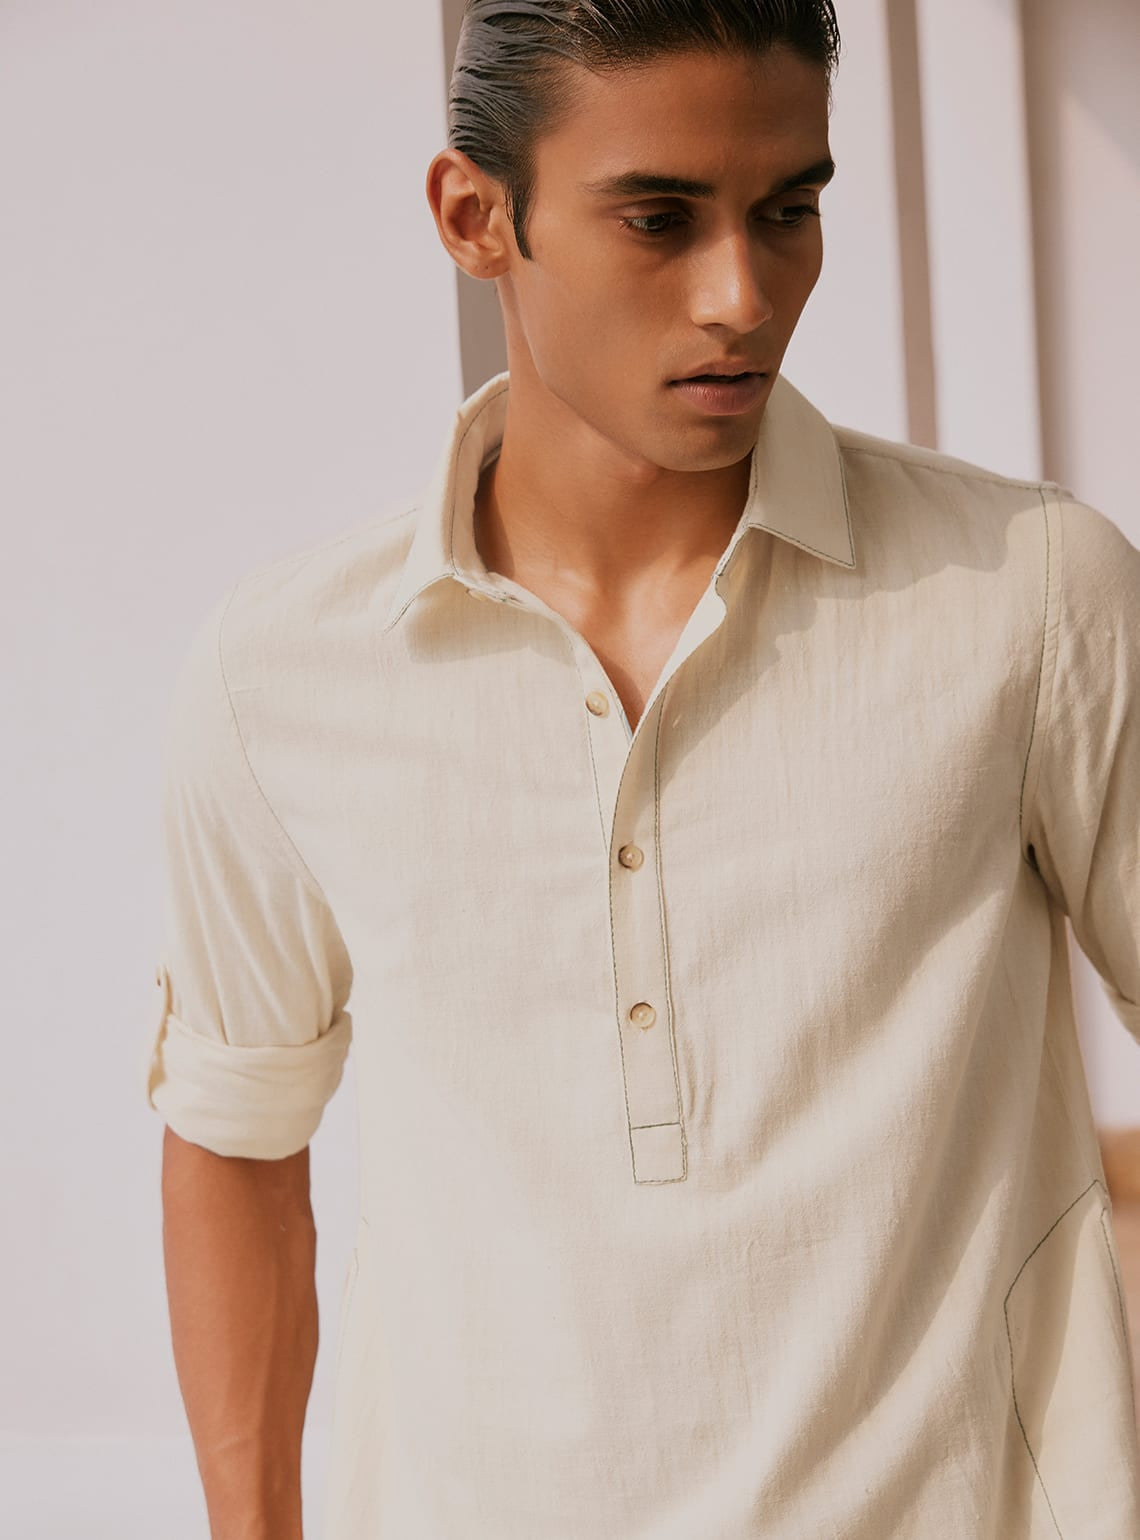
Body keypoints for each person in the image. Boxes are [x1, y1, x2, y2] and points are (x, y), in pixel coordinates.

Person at [145, 2, 1140, 1536]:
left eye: (788, 211)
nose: (742, 295)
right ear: (476, 218)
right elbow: (234, 1139)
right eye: (658, 220)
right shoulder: (282, 675)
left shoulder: (1033, 593)